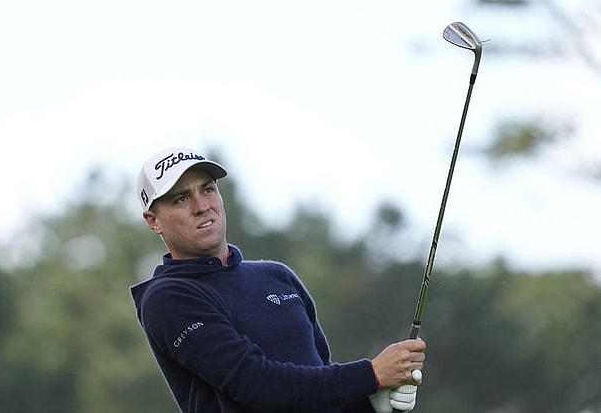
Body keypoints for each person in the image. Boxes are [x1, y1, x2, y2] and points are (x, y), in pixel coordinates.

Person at [130, 147, 426, 413]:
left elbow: (320, 382)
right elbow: (258, 386)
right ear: (153, 220)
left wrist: (371, 402)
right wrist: (371, 375)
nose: (201, 205)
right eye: (181, 198)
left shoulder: (276, 276)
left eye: (207, 190)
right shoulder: (168, 298)